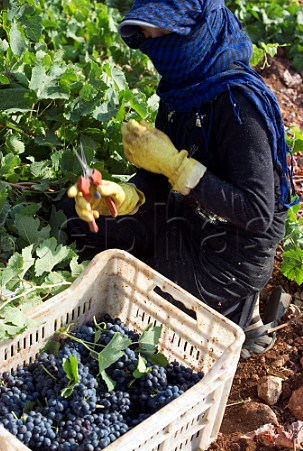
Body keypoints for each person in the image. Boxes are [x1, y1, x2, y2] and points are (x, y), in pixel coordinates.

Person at [62, 0, 297, 357]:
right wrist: (124, 196)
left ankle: (240, 308)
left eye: (163, 33)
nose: (154, 44)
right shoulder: (179, 90)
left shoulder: (239, 105)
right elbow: (157, 181)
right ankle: (186, 270)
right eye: (147, 35)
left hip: (233, 245)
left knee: (156, 309)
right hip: (187, 212)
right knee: (81, 222)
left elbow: (257, 212)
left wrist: (177, 167)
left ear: (199, 29)